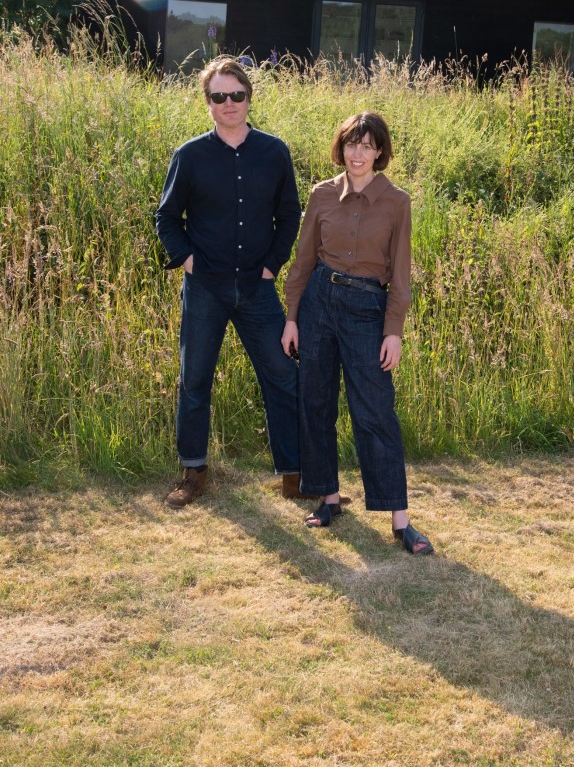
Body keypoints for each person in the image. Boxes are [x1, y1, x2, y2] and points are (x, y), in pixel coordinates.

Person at [156, 55, 306, 507]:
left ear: (248, 96)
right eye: (219, 96)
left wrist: (272, 266)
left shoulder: (274, 151)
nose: (229, 103)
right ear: (208, 102)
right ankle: (193, 473)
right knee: (195, 379)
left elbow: (289, 214)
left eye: (236, 94)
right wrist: (187, 261)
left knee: (282, 375)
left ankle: (295, 476)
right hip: (205, 286)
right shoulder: (190, 155)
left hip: (257, 288)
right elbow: (166, 217)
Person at [281, 112, 433, 555]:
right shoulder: (322, 195)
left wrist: (394, 331)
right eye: (351, 144)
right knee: (315, 402)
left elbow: (401, 275)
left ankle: (400, 520)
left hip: (368, 309)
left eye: (367, 145)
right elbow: (303, 261)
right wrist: (292, 315)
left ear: (381, 151)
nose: (358, 153)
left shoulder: (396, 202)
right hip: (318, 305)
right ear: (341, 148)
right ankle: (328, 498)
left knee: (375, 411)